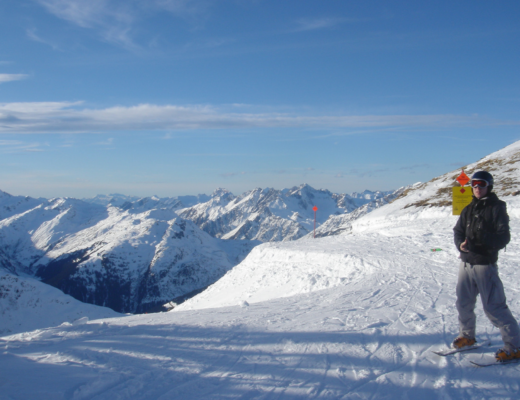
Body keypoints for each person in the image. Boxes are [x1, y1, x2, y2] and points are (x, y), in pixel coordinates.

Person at [452, 170, 520, 362]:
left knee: (494, 307)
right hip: (466, 263)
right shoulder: (469, 208)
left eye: (481, 184)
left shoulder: (497, 208)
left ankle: (515, 346)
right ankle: (467, 336)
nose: (477, 188)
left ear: (489, 186)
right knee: (463, 303)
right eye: (474, 184)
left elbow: (503, 237)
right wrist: (460, 245)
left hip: (484, 264)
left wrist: (482, 239)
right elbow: (457, 230)